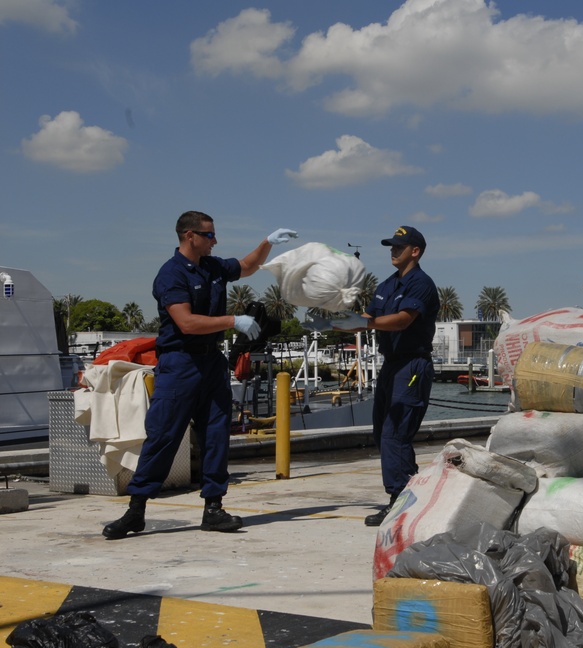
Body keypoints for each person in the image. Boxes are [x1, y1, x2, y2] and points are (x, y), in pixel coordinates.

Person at [102, 211, 297, 539]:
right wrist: (233, 321)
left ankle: (214, 508)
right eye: (209, 235)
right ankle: (136, 510)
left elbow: (246, 267)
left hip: (211, 364)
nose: (215, 240)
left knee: (217, 435)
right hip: (180, 365)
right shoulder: (171, 275)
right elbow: (187, 323)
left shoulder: (213, 266)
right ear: (189, 236)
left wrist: (267, 243)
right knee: (164, 436)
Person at [332, 225, 440, 526]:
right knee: (383, 432)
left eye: (399, 247)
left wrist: (365, 324)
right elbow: (368, 318)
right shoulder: (386, 285)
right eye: (391, 246)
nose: (393, 251)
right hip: (392, 365)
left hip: (412, 366)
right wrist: (336, 323)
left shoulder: (421, 284)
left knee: (396, 431)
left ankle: (399, 500)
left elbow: (403, 320)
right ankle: (408, 493)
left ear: (415, 251)